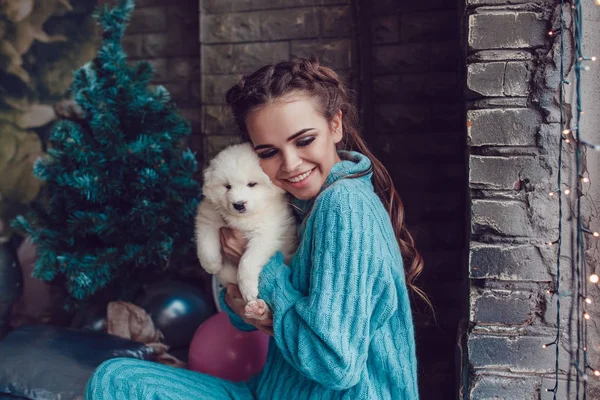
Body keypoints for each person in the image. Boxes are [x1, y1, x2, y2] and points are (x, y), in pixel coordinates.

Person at [85, 58, 427, 400]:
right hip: (273, 391)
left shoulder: (344, 206)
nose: (291, 165)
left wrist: (260, 267)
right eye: (269, 152)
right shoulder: (301, 202)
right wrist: (244, 301)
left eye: (304, 140)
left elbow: (334, 365)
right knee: (117, 378)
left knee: (117, 383)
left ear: (335, 125)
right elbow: (246, 321)